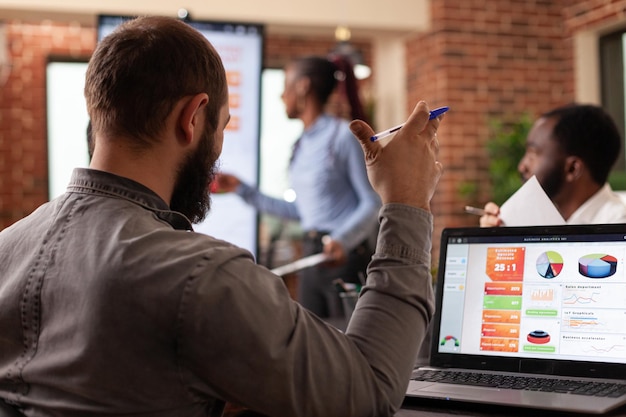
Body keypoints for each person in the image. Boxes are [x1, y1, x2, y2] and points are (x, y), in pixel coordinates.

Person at [0, 15, 444, 417]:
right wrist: (407, 201)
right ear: (192, 118)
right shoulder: (200, 278)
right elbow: (368, 388)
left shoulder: (8, 249)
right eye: (222, 124)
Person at [216, 55, 380, 318]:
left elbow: (372, 202)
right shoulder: (301, 145)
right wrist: (241, 189)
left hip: (344, 258)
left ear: (302, 86)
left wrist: (343, 240)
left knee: (348, 350)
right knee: (311, 348)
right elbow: (302, 212)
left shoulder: (341, 136)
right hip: (313, 255)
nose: (282, 95)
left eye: (285, 86)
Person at [479, 103, 626, 227]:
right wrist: (494, 240)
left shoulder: (617, 225)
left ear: (572, 169)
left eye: (532, 154)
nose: (522, 166)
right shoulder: (533, 219)